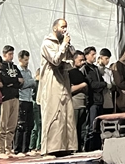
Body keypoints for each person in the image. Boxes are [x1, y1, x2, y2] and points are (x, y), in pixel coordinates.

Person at [38, 18, 76, 156]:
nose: (65, 29)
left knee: (66, 114)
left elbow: (72, 60)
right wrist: (64, 45)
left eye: (66, 27)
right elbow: (55, 60)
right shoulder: (47, 43)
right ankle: (49, 148)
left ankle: (65, 146)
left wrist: (68, 47)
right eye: (62, 27)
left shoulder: (64, 43)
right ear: (55, 28)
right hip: (51, 81)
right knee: (53, 114)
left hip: (64, 81)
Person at [80, 47, 109, 151]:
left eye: (95, 54)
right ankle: (88, 147)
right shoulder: (85, 69)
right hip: (92, 101)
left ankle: (97, 146)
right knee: (91, 126)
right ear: (86, 55)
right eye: (92, 54)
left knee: (99, 126)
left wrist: (102, 84)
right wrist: (104, 84)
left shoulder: (96, 68)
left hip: (99, 100)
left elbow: (99, 81)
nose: (95, 56)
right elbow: (91, 84)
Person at [0, 46, 22, 158]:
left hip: (15, 97)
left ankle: (9, 149)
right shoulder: (2, 67)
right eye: (9, 54)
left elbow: (21, 81)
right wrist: (14, 81)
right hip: (5, 98)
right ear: (4, 54)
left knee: (12, 125)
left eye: (12, 54)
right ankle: (1, 150)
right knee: (3, 124)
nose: (11, 56)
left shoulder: (15, 67)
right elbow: (4, 80)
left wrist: (13, 82)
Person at [13, 50, 36, 156]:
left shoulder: (29, 72)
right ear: (20, 59)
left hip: (29, 99)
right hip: (22, 99)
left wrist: (31, 82)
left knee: (29, 124)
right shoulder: (18, 71)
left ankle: (25, 148)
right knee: (21, 124)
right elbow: (21, 85)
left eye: (28, 60)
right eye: (25, 60)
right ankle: (17, 148)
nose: (27, 62)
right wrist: (33, 81)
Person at [67, 52, 87, 151]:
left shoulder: (80, 72)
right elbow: (69, 89)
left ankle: (80, 147)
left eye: (84, 60)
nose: (83, 62)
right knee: (74, 127)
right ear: (74, 59)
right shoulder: (69, 72)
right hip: (75, 104)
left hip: (83, 104)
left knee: (82, 128)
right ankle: (73, 147)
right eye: (80, 60)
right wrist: (82, 86)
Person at [97, 49, 114, 114]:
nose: (108, 61)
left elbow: (112, 83)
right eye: (106, 58)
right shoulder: (96, 69)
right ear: (101, 57)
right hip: (99, 99)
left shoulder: (108, 71)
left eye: (109, 59)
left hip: (108, 98)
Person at [29, 69, 42, 153]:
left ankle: (38, 145)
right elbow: (34, 95)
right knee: (37, 125)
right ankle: (34, 146)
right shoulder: (36, 83)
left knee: (39, 125)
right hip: (36, 104)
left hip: (41, 104)